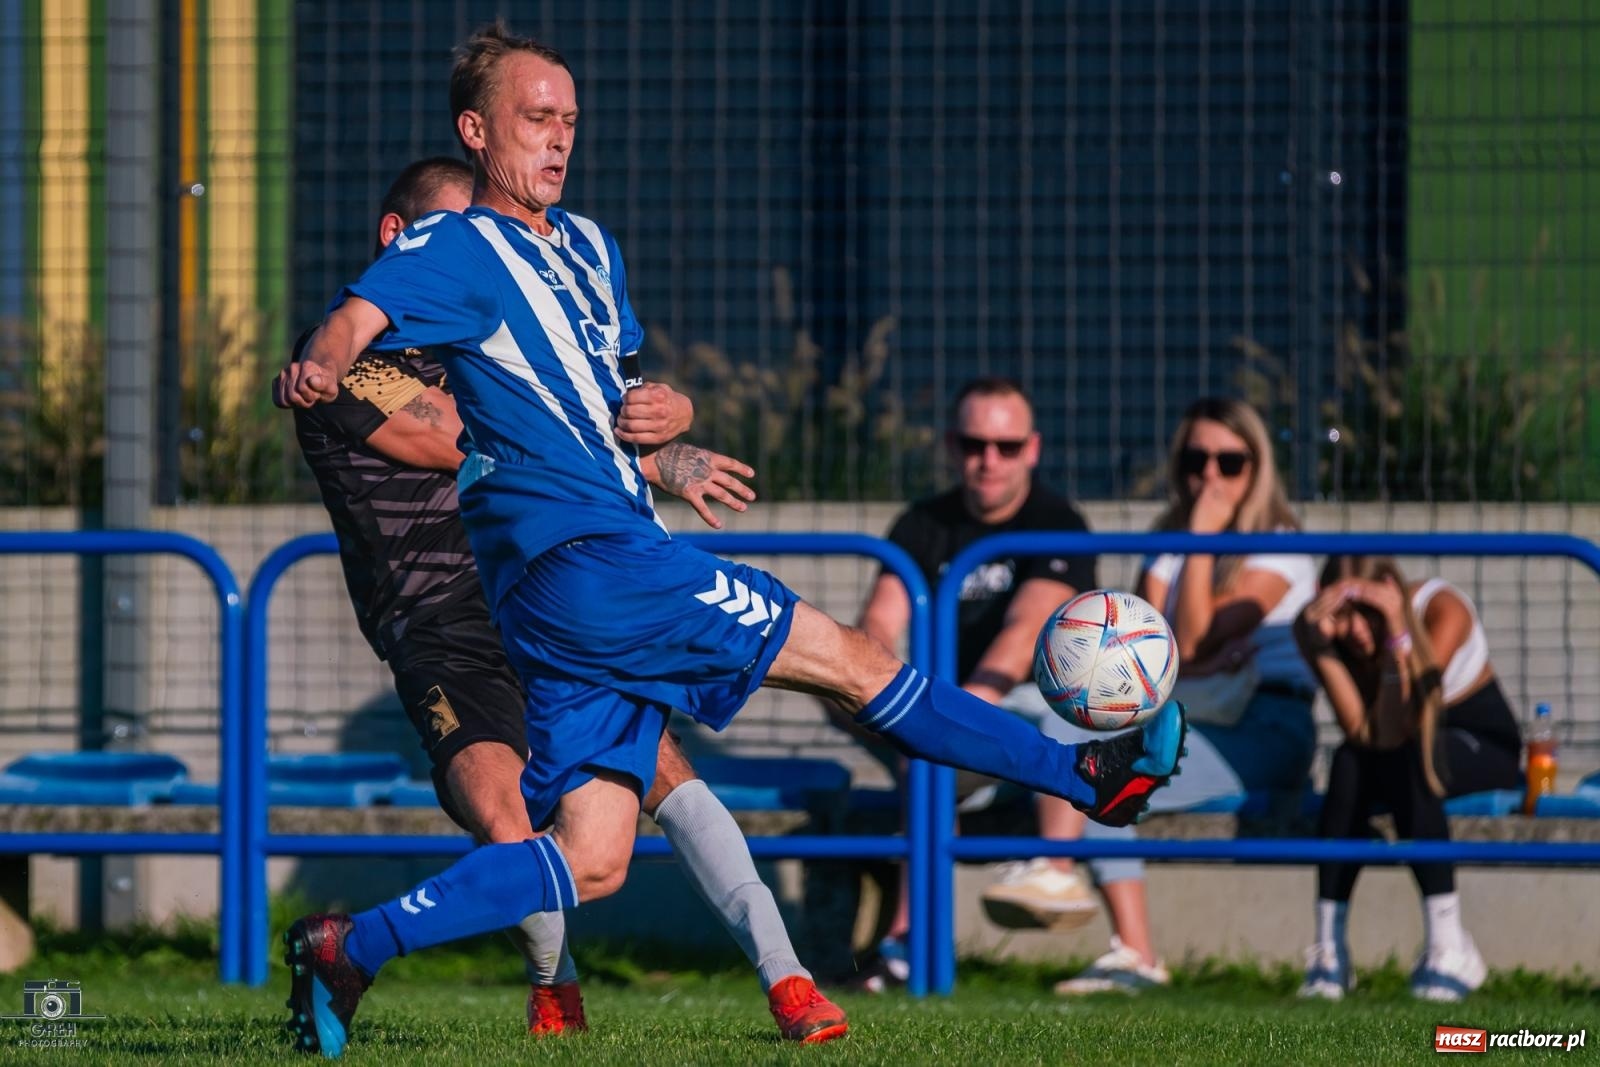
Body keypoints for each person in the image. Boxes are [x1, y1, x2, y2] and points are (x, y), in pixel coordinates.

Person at [276, 24, 1185, 1056]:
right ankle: (1091, 778)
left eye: (569, 121)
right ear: (476, 131)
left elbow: (609, 398)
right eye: (537, 120)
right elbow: (356, 320)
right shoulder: (453, 245)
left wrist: (671, 423)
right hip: (595, 564)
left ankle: (355, 945)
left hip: (562, 588)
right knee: (854, 661)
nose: (559, 140)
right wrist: (319, 359)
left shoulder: (584, 246)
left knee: (595, 852)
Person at [284, 155, 848, 1043]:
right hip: (440, 627)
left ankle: (791, 983)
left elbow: (593, 407)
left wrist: (673, 418)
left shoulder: (504, 325)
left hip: (546, 595)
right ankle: (555, 985)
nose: (484, 252)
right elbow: (474, 439)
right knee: (508, 817)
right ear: (401, 241)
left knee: (664, 770)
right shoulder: (350, 362)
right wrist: (641, 456)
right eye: (457, 235)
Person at [1012, 396, 1319, 996]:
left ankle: (1079, 894)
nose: (1210, 476)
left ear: (1258, 469)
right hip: (1185, 711)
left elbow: (1195, 636)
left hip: (1264, 725)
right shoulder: (1168, 540)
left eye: (1230, 462)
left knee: (1111, 770)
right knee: (1080, 744)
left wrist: (1201, 540)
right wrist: (1193, 633)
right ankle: (1125, 943)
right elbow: (1151, 650)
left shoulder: (1279, 541)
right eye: (1196, 460)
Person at [839, 377, 1099, 990]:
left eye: (1006, 447)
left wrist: (947, 721)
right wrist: (880, 692)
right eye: (976, 444)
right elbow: (879, 619)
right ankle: (908, 946)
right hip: (945, 716)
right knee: (905, 742)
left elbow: (1024, 629)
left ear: (1032, 449)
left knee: (1076, 723)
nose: (989, 460)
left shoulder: (1057, 521)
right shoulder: (922, 522)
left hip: (1023, 710)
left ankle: (1054, 883)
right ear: (953, 446)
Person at [1294, 556, 1522, 1002]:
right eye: (1342, 615)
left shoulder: (1442, 609)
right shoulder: (1316, 630)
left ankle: (1448, 944)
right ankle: (1329, 951)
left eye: (1367, 613)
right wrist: (1320, 647)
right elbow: (1362, 732)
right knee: (1346, 762)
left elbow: (1402, 728)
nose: (1357, 631)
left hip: (1479, 741)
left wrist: (1399, 629)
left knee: (1409, 759)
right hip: (1393, 741)